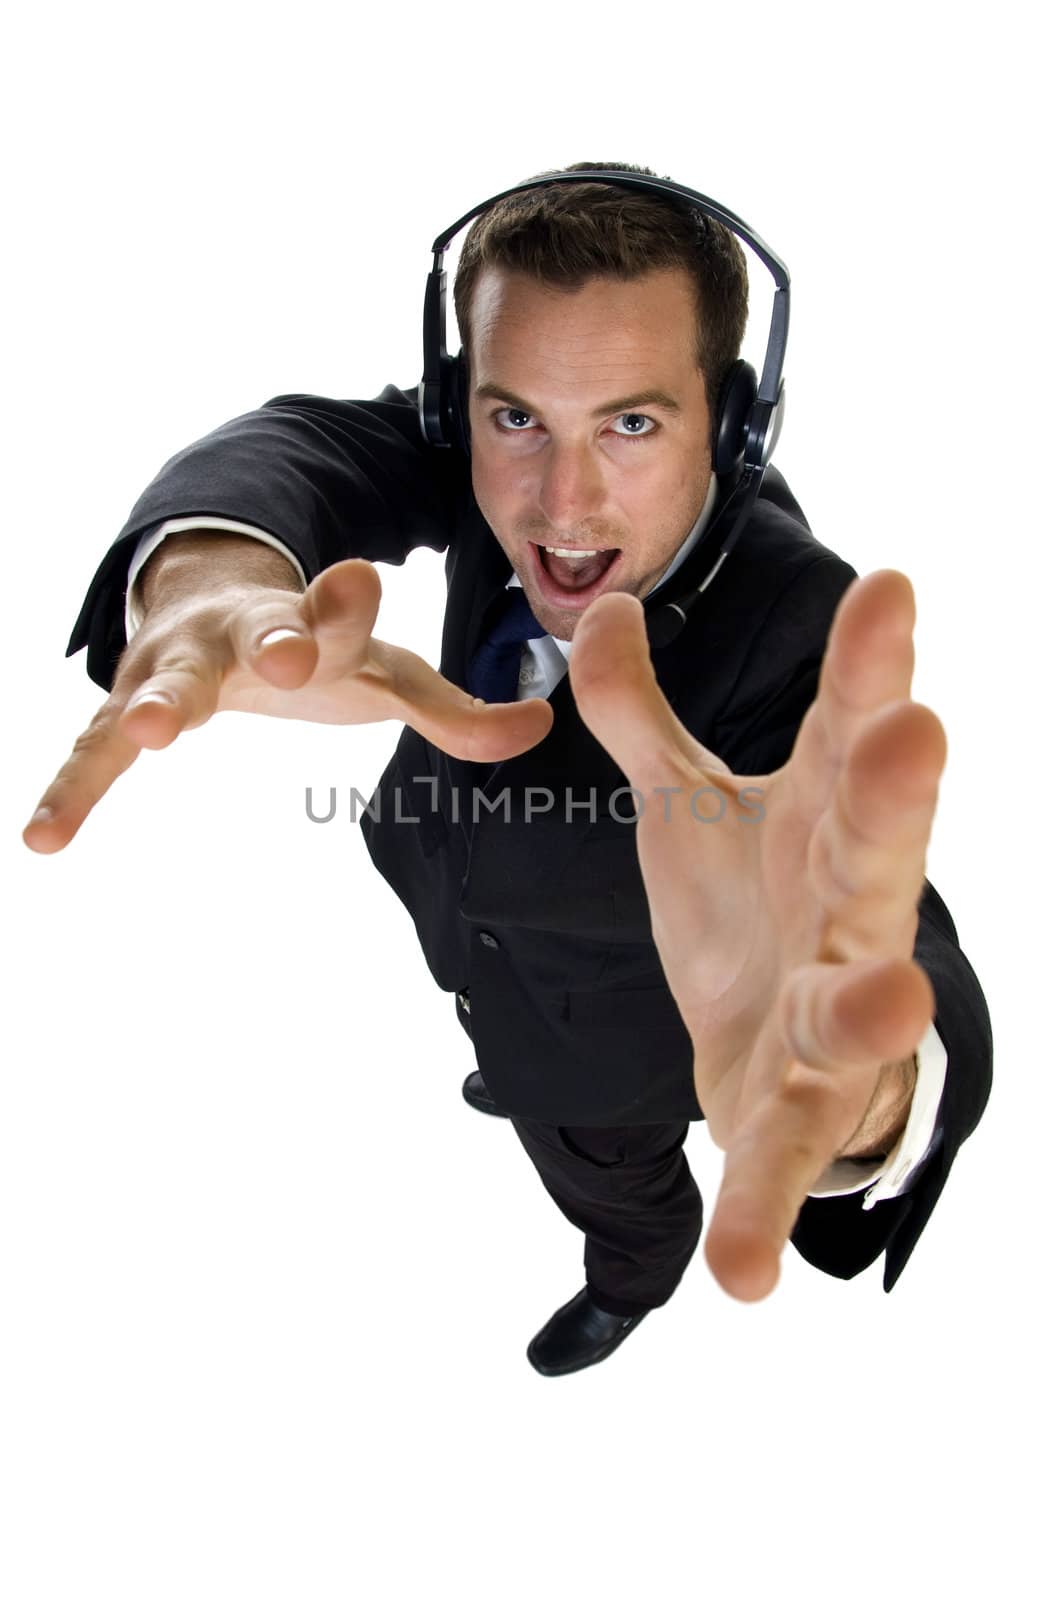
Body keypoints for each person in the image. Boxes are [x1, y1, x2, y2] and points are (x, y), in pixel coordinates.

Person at [23, 161, 993, 1377]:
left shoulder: (801, 615)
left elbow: (888, 919)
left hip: (652, 1034)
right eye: (513, 416)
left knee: (617, 1139)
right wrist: (209, 571)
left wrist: (869, 1092)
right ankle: (632, 1269)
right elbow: (299, 445)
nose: (562, 501)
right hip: (499, 979)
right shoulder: (488, 468)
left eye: (632, 423)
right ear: (459, 405)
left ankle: (636, 1266)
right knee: (604, 1194)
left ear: (732, 422)